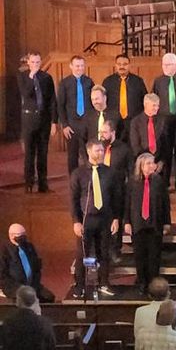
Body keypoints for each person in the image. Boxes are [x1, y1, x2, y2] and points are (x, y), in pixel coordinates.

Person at [70, 140, 120, 298]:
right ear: (89, 151)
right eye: (97, 151)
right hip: (86, 219)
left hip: (105, 218)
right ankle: (80, 285)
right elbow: (73, 199)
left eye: (102, 151)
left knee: (104, 252)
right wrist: (76, 221)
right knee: (82, 254)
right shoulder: (79, 173)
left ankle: (104, 283)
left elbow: (116, 197)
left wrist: (116, 218)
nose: (101, 153)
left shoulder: (110, 172)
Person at [124, 153, 170, 294]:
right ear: (141, 166)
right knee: (140, 256)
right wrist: (127, 222)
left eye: (153, 163)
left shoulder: (159, 181)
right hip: (138, 224)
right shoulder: (132, 182)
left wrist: (166, 223)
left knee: (154, 257)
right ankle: (142, 283)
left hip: (154, 224)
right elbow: (127, 203)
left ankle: (153, 286)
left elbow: (165, 203)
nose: (152, 166)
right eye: (148, 164)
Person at [17, 51, 58, 193]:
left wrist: (54, 122)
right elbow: (26, 93)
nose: (35, 65)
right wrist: (31, 77)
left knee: (43, 153)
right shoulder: (22, 77)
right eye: (33, 62)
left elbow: (52, 100)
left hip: (44, 120)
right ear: (28, 62)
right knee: (29, 153)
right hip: (29, 119)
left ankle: (43, 183)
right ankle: (28, 183)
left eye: (38, 62)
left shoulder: (46, 77)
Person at [99, 120, 131, 263]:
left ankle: (115, 250)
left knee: (116, 218)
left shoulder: (124, 149)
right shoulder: (98, 148)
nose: (102, 135)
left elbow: (130, 171)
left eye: (105, 132)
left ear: (113, 133)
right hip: (101, 189)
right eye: (101, 132)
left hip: (118, 190)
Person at [57, 55, 94, 174]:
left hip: (87, 123)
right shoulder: (64, 83)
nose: (80, 68)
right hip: (71, 125)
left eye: (82, 65)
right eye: (77, 66)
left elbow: (93, 102)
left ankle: (89, 178)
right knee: (72, 156)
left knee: (88, 153)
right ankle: (73, 179)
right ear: (71, 66)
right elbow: (60, 105)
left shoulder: (89, 82)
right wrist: (65, 125)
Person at [0, 224, 55, 302]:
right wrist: (20, 288)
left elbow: (37, 268)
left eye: (24, 234)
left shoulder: (29, 247)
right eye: (19, 235)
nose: (22, 237)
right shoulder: (4, 251)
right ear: (11, 236)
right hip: (15, 287)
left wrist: (34, 285)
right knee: (25, 300)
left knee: (48, 297)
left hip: (32, 285)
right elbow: (3, 276)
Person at [102, 54, 147, 142]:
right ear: (115, 65)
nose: (122, 66)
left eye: (125, 64)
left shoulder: (138, 81)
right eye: (119, 64)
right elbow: (104, 102)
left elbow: (144, 100)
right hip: (114, 122)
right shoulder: (108, 81)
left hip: (133, 121)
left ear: (129, 65)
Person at [2, 286, 56, 350]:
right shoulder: (45, 323)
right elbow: (51, 346)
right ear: (35, 301)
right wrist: (39, 316)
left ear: (18, 301)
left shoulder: (8, 322)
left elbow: (5, 345)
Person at [130, 93, 168, 176]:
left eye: (158, 105)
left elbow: (166, 144)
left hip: (159, 165)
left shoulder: (162, 121)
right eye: (154, 105)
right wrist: (147, 163)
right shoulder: (136, 122)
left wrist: (161, 162)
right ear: (145, 105)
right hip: (142, 165)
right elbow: (135, 145)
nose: (157, 108)